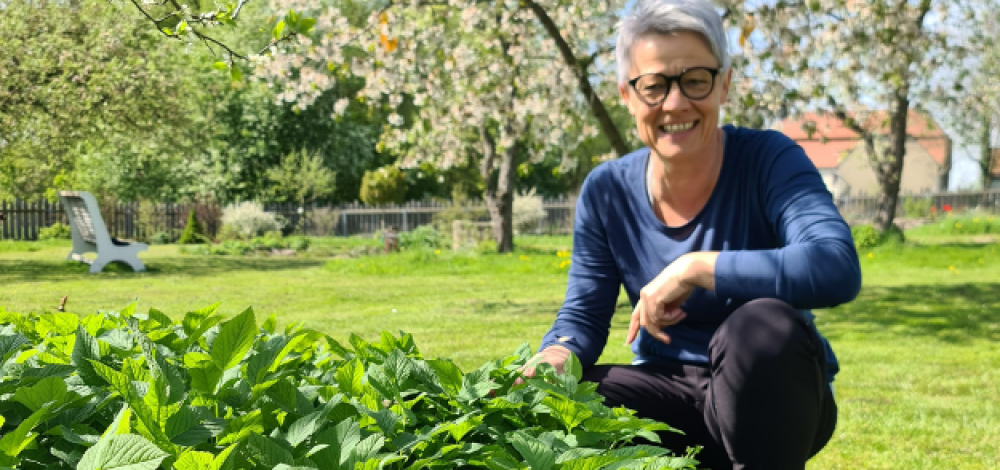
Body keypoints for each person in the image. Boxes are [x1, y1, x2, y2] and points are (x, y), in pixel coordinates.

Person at [523, 1, 862, 469]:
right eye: (655, 85)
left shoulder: (768, 160)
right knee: (556, 404)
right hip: (664, 387)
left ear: (724, 84)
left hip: (771, 394)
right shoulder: (606, 191)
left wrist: (697, 267)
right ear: (627, 95)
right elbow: (583, 316)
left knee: (760, 325)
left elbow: (834, 266)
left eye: (695, 80)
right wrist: (556, 353)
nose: (676, 103)